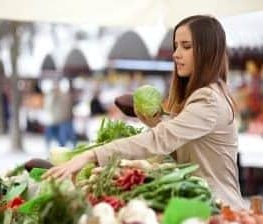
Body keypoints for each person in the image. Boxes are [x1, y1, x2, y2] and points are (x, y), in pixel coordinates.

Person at [43, 15, 245, 210]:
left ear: (207, 52)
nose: (176, 54)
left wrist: (91, 155)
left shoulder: (208, 99)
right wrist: (157, 121)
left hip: (219, 207)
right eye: (176, 46)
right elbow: (184, 146)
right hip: (200, 204)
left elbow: (160, 140)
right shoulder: (207, 94)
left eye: (186, 46)